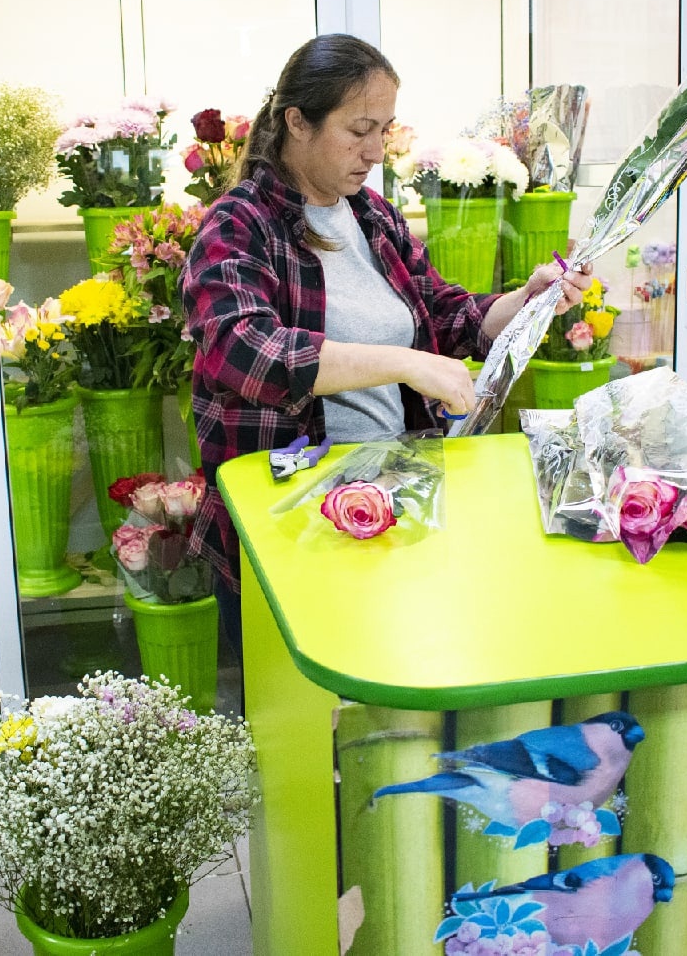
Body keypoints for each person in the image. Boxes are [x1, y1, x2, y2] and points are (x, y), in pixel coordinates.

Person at [181, 34, 595, 653]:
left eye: (386, 129)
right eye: (358, 129)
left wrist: (524, 301)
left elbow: (443, 313)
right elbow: (247, 350)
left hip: (393, 504)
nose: (376, 151)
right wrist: (405, 364)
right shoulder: (239, 225)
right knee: (297, 713)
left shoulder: (372, 216)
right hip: (289, 521)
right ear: (297, 122)